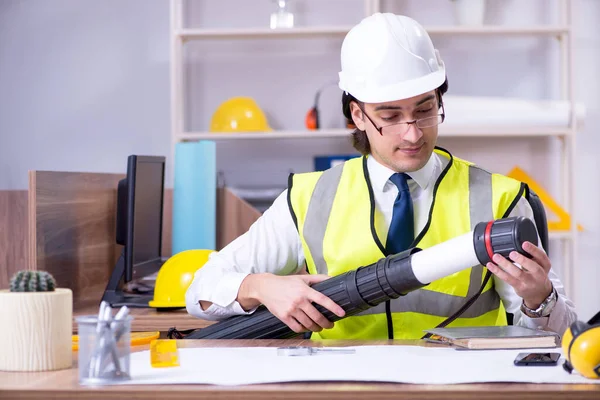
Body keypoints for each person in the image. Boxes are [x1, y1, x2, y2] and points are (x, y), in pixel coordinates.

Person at [185, 13, 577, 339]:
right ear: (358, 115)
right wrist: (261, 287)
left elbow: (561, 335)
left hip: (459, 388)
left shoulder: (498, 198)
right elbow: (200, 291)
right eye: (390, 117)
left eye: (425, 110)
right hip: (342, 387)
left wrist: (538, 299)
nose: (412, 133)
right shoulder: (310, 197)